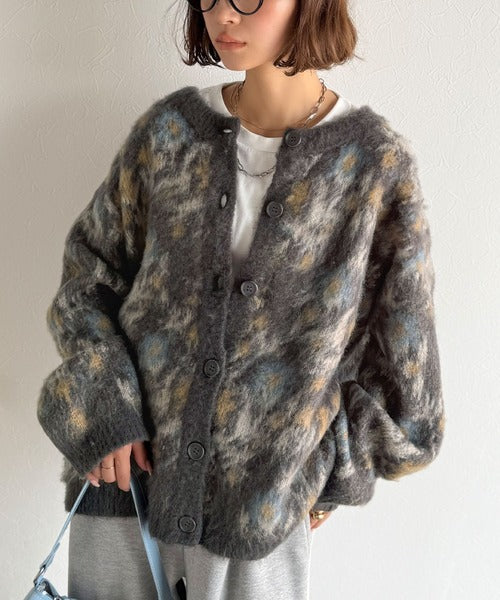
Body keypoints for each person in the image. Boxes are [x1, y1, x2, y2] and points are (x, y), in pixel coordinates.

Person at [37, 0, 445, 599]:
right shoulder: (170, 134)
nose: (223, 14)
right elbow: (86, 280)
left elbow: (411, 392)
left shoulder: (373, 168)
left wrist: (323, 470)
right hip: (121, 486)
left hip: (257, 517)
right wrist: (105, 406)